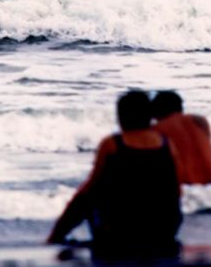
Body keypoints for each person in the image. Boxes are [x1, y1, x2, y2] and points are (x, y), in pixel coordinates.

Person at [46, 90, 182, 262]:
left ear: (121, 117)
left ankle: (57, 238)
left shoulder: (112, 144)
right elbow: (176, 192)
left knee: (90, 196)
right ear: (149, 116)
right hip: (163, 230)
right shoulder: (167, 144)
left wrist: (56, 234)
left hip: (119, 232)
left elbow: (88, 192)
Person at [151, 91, 211, 184]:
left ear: (156, 112)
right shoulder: (199, 120)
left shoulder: (155, 130)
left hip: (184, 180)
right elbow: (207, 148)